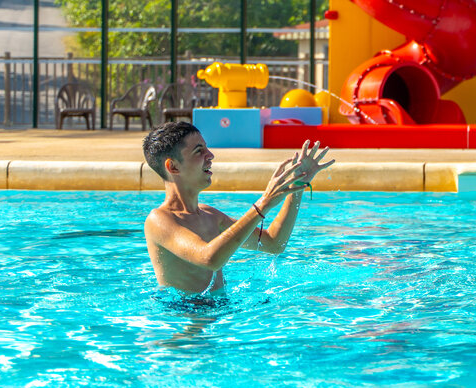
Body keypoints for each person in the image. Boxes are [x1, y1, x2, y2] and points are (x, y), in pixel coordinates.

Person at [142, 121, 334, 294]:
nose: (211, 155)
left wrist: (296, 187)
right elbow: (210, 258)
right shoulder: (159, 220)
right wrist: (263, 203)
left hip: (219, 314)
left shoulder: (209, 215)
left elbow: (274, 244)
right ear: (173, 167)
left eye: (207, 148)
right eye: (199, 151)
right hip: (186, 321)